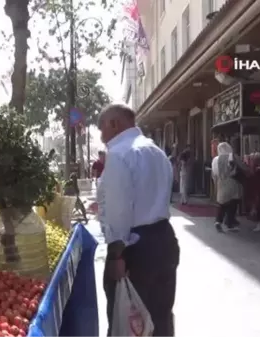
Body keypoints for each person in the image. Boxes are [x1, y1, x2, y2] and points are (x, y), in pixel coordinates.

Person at [97, 103, 179, 337]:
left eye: (102, 129)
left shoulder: (120, 153)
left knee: (128, 318)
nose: (102, 137)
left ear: (114, 124)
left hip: (135, 247)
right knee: (160, 315)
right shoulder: (156, 151)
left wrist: (116, 255)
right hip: (163, 240)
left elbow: (119, 211)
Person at [211, 142, 248, 232]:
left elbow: (214, 174)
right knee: (233, 202)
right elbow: (242, 167)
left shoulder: (215, 159)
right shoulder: (232, 156)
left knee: (222, 203)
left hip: (220, 182)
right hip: (232, 182)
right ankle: (229, 223)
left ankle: (218, 221)